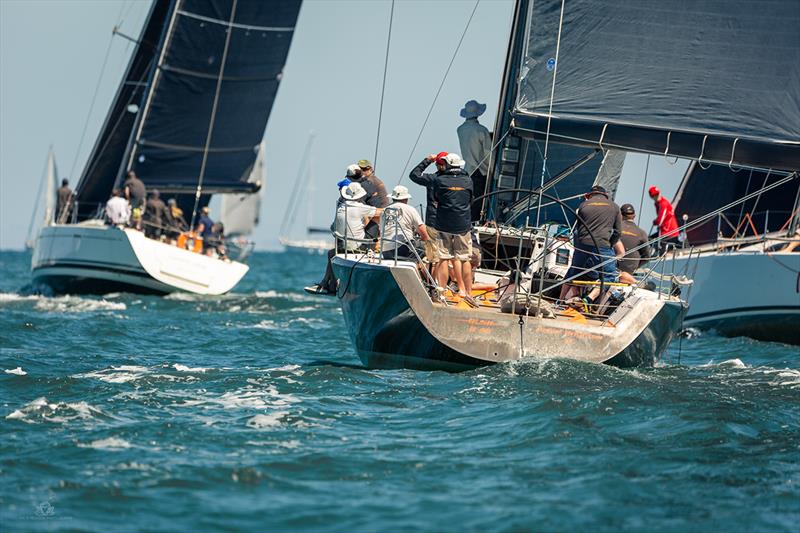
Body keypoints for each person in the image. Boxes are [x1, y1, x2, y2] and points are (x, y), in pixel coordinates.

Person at [413, 152, 474, 300]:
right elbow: (470, 199)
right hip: (463, 225)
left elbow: (415, 176)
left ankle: (441, 293)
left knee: (443, 259)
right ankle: (467, 292)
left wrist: (427, 160)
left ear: (445, 165)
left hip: (442, 224)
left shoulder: (437, 180)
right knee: (464, 259)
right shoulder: (468, 180)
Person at [560, 185, 623, 306]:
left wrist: (578, 247)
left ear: (590, 195)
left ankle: (560, 299)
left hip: (583, 245)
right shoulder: (615, 207)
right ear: (605, 195)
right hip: (603, 246)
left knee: (573, 272)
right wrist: (609, 244)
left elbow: (577, 231)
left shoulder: (583, 205)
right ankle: (588, 299)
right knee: (609, 276)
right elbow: (618, 232)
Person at [409, 151, 449, 274]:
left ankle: (432, 284)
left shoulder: (432, 179)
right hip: (450, 222)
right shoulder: (457, 180)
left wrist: (427, 160)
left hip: (433, 221)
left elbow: (414, 175)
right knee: (447, 255)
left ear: (437, 164)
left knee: (433, 256)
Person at [457, 100, 492, 222]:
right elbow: (488, 153)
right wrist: (493, 171)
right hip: (481, 170)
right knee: (479, 200)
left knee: (468, 199)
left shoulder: (460, 129)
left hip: (467, 170)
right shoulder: (482, 130)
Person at [380, 185, 429, 259]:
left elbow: (380, 229)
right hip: (402, 249)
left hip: (385, 251)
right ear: (406, 199)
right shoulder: (410, 209)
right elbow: (422, 230)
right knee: (427, 246)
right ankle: (418, 267)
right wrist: (429, 242)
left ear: (393, 198)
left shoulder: (384, 211)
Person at [617, 203, 651, 284]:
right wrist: (634, 267)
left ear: (620, 215)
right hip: (629, 272)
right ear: (634, 216)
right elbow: (647, 257)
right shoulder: (642, 233)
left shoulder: (615, 228)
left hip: (613, 270)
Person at [648, 185, 679, 250]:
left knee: (650, 241)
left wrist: (655, 221)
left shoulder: (663, 203)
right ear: (651, 197)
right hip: (663, 232)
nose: (657, 196)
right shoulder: (657, 204)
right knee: (649, 240)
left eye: (657, 194)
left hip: (669, 233)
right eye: (654, 195)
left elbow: (660, 221)